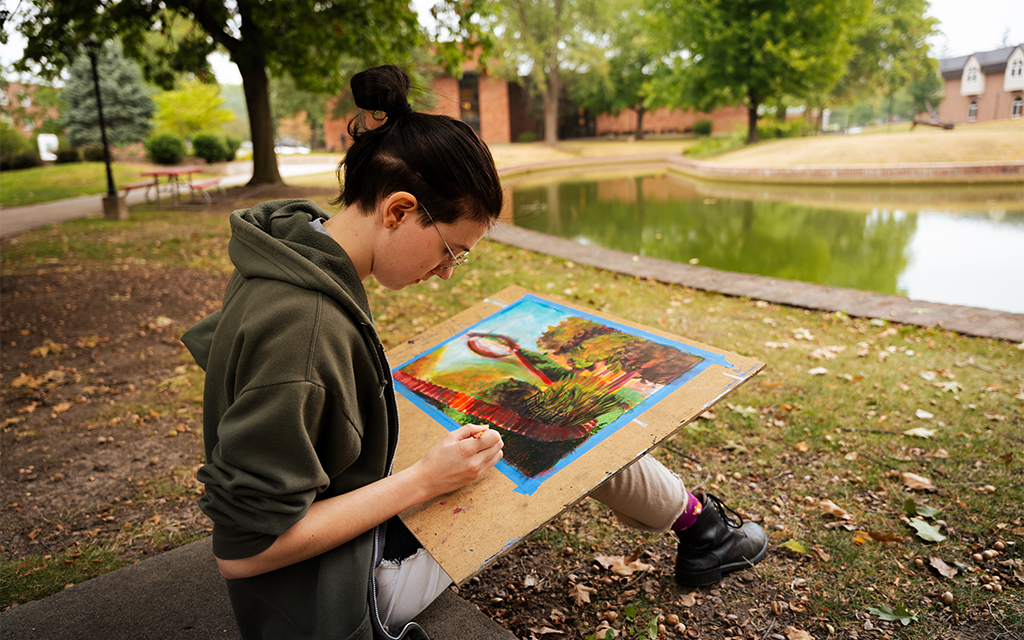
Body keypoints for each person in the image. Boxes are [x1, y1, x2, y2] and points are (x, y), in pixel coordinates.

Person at [182, 65, 767, 640]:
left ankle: (703, 527)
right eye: (450, 250)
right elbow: (245, 552)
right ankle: (705, 529)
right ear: (398, 210)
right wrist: (423, 481)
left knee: (534, 417)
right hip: (333, 597)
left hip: (344, 514)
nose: (444, 273)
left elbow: (293, 397)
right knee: (570, 429)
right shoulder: (304, 328)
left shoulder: (293, 247)